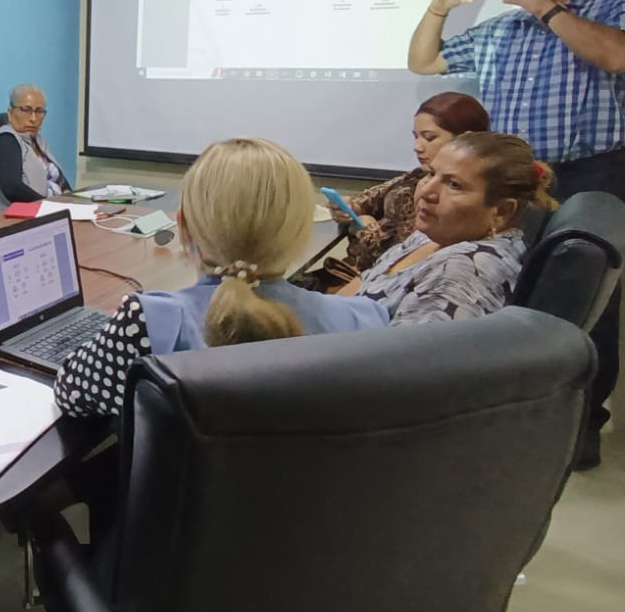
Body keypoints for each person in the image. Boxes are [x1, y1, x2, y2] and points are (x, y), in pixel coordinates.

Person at [407, 0, 625, 466]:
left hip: (588, 171)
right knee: (504, 283)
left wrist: (547, 10)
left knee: (587, 296)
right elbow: (425, 61)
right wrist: (438, 9)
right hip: (514, 178)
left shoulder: (614, 6)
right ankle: (508, 414)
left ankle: (582, 423)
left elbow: (618, 57)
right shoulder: (503, 28)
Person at [54, 137, 389, 421]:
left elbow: (71, 394)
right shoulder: (365, 322)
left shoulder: (148, 322)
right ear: (301, 229)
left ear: (183, 225)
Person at [346, 132, 557, 325]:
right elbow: (360, 287)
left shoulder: (464, 271)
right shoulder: (435, 234)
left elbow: (408, 353)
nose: (427, 191)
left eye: (454, 185)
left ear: (501, 211)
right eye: (431, 174)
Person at [321, 91, 491, 276]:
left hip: (377, 279)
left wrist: (365, 229)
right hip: (357, 272)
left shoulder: (456, 197)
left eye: (429, 138)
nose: (417, 146)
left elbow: (402, 258)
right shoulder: (418, 176)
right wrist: (349, 207)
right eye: (416, 137)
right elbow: (370, 198)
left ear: (464, 140)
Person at [0, 84, 71, 203]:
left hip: (52, 207)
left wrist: (71, 197)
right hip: (20, 212)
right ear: (10, 113)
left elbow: (60, 180)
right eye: (26, 110)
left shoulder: (38, 140)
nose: (33, 118)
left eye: (39, 111)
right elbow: (13, 189)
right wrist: (49, 205)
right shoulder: (5, 141)